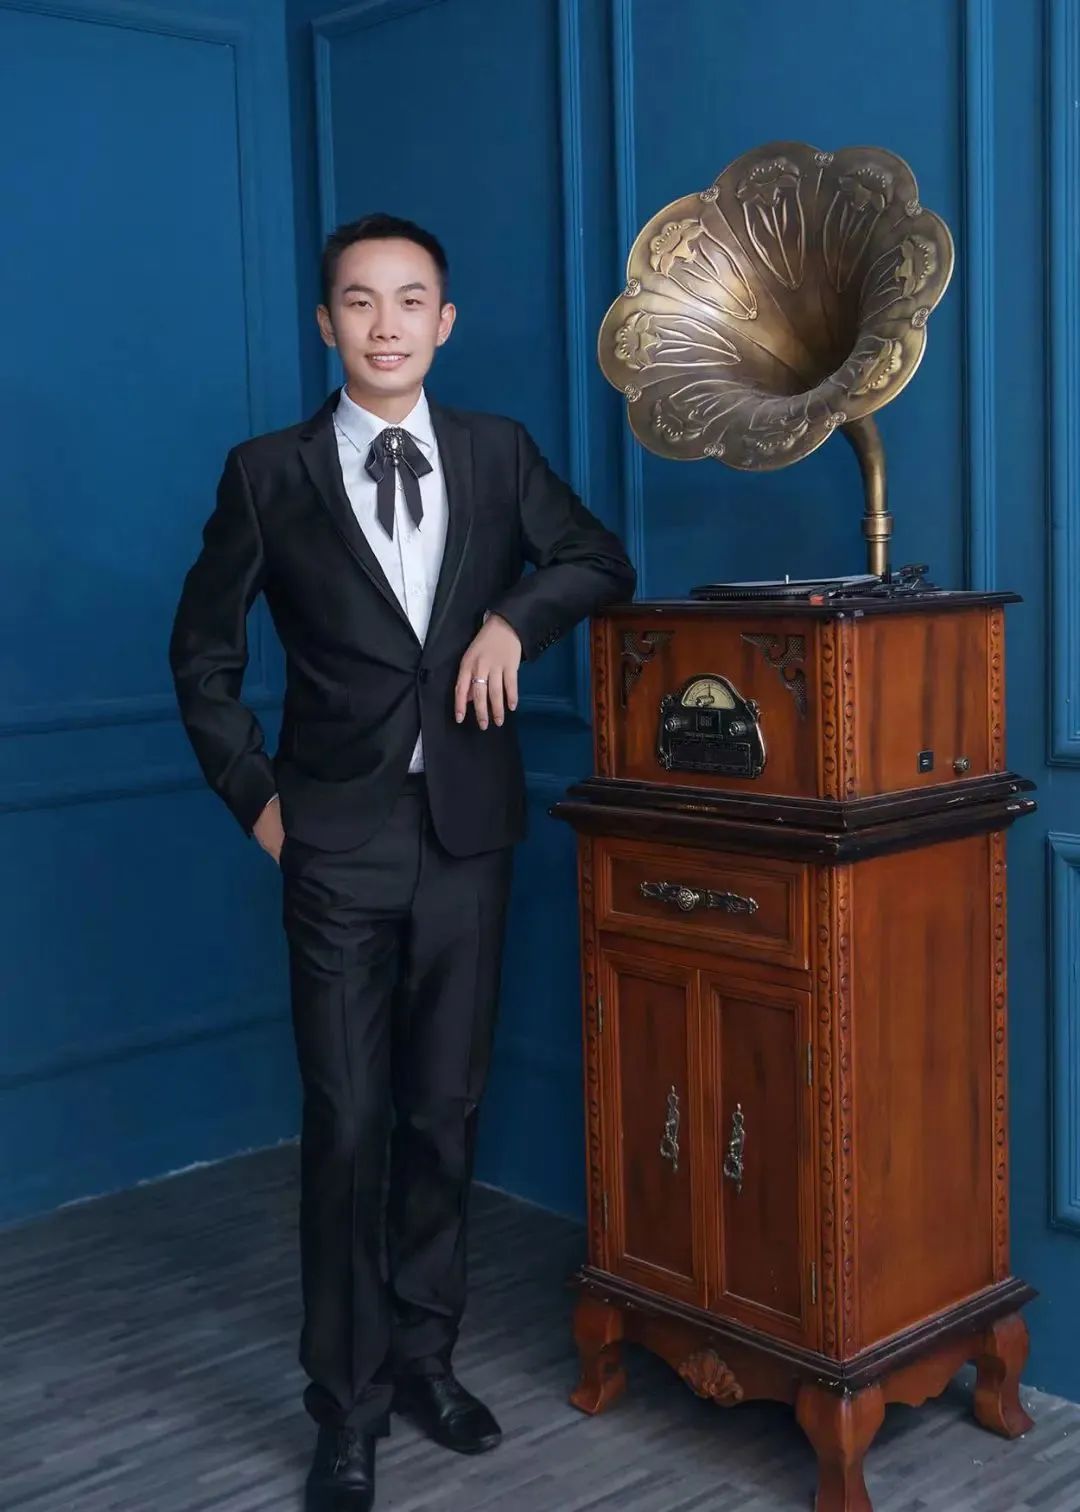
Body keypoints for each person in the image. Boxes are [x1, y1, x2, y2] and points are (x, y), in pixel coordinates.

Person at [169, 212, 636, 1512]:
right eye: (361, 301)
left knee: (443, 1117)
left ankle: (428, 1361)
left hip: (467, 839)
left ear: (445, 322)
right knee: (348, 1128)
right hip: (333, 844)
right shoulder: (266, 474)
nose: (387, 324)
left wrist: (512, 621)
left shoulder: (497, 453)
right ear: (327, 324)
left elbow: (599, 559)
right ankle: (348, 1406)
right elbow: (202, 660)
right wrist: (263, 808)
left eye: (411, 299)